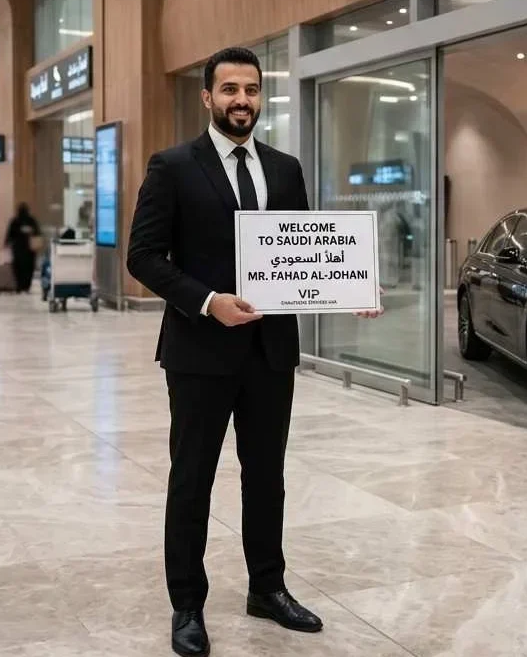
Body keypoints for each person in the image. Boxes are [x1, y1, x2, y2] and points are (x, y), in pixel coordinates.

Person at [128, 47, 382, 657]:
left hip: (270, 353)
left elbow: (299, 252)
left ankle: (267, 588)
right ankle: (187, 603)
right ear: (207, 98)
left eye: (251, 90)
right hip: (199, 351)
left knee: (266, 478)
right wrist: (207, 299)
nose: (242, 100)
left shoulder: (284, 167)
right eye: (230, 89)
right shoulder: (173, 167)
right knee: (193, 480)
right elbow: (143, 257)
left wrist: (350, 288)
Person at [4, 203, 41, 293]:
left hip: (18, 249)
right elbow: (38, 233)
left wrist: (6, 243)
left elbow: (9, 234)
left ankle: (19, 286)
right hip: (29, 251)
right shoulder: (31, 221)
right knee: (29, 268)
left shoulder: (15, 221)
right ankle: (26, 286)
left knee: (18, 268)